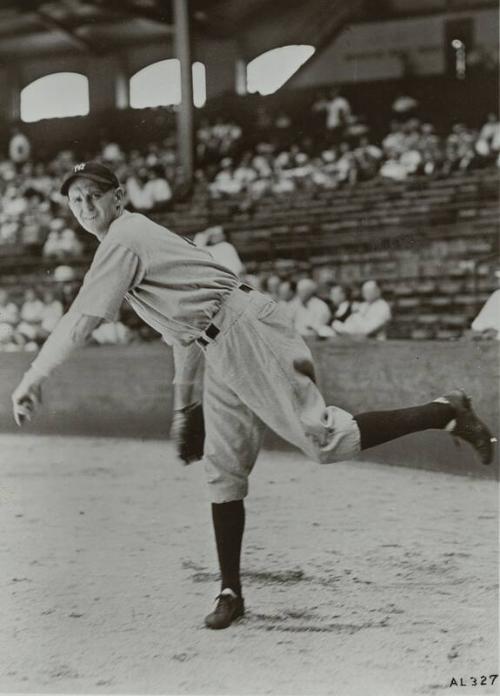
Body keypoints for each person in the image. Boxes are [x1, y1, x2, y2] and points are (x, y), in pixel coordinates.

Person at [12, 161, 496, 632]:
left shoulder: (122, 239)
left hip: (246, 330)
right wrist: (187, 406)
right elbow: (184, 333)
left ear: (118, 197)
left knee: (323, 440)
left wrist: (33, 375)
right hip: (218, 342)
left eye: (93, 194)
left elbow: (81, 321)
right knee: (222, 469)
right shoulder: (130, 238)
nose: (83, 205)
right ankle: (230, 592)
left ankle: (445, 411)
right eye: (75, 199)